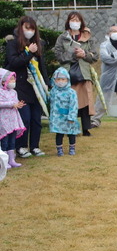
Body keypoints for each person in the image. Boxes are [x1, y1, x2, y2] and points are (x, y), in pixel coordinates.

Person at [4, 16, 48, 158]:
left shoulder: (38, 43)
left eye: (32, 28)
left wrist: (46, 83)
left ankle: (35, 146)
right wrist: (28, 53)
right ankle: (21, 146)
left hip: (36, 87)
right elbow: (13, 63)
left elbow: (42, 67)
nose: (29, 31)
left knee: (36, 118)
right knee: (25, 118)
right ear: (21, 28)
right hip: (20, 86)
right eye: (26, 28)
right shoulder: (13, 43)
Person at [54, 12, 99, 137]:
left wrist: (84, 54)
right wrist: (72, 55)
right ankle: (69, 126)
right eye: (73, 19)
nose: (75, 22)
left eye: (78, 20)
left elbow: (95, 56)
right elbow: (58, 55)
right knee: (69, 102)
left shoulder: (87, 37)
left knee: (85, 102)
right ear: (68, 21)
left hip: (84, 73)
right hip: (68, 75)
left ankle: (86, 128)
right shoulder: (62, 38)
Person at [90, 25, 117, 129]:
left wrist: (113, 55)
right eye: (113, 31)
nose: (116, 32)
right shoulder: (104, 45)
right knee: (102, 98)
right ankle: (95, 120)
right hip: (108, 75)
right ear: (109, 33)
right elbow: (105, 58)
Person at [48, 67, 80, 156]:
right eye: (58, 79)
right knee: (59, 134)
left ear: (67, 79)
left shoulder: (71, 92)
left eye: (63, 79)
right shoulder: (53, 91)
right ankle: (59, 150)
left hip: (68, 117)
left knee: (71, 134)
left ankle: (72, 148)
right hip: (57, 118)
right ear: (54, 80)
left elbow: (74, 105)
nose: (60, 81)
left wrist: (72, 117)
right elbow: (50, 101)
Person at [0, 69, 26, 168]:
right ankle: (4, 161)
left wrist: (19, 104)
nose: (13, 82)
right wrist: (12, 104)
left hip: (14, 119)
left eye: (13, 79)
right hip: (3, 120)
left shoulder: (14, 92)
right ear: (3, 81)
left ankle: (11, 159)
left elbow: (15, 102)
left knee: (12, 140)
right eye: (10, 80)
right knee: (4, 140)